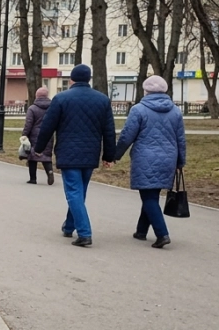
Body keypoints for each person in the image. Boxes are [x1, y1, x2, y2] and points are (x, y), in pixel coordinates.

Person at [34, 63, 116, 247]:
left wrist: (39, 148)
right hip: (90, 153)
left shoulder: (62, 98)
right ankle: (69, 226)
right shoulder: (102, 100)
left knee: (74, 192)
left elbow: (48, 126)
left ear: (71, 79)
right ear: (89, 79)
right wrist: (109, 156)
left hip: (68, 152)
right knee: (79, 192)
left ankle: (85, 233)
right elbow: (109, 130)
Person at [115, 75, 186, 248]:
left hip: (145, 157)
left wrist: (115, 154)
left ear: (146, 90)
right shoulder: (175, 111)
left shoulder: (138, 110)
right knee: (151, 194)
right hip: (169, 158)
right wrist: (180, 161)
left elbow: (127, 136)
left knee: (148, 196)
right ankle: (141, 231)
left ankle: (162, 234)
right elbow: (181, 139)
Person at [22, 86, 55, 185]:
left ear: (37, 96)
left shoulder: (32, 108)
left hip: (34, 134)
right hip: (49, 134)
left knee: (32, 156)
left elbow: (29, 123)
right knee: (46, 155)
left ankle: (33, 179)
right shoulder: (52, 107)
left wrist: (24, 134)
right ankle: (49, 172)